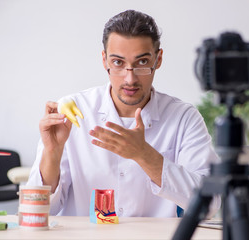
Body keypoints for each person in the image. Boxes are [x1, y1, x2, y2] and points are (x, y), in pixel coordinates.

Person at [27, 9, 220, 217]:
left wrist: (144, 155)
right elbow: (36, 211)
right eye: (118, 63)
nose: (130, 79)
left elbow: (210, 203)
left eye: (142, 62)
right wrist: (52, 153)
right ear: (105, 60)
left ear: (158, 59)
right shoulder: (73, 113)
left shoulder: (183, 118)